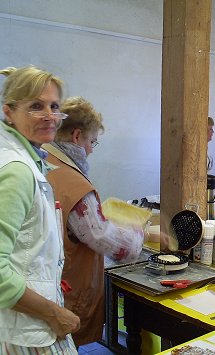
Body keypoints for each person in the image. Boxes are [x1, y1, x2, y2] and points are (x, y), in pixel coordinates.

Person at [43, 97, 144, 347]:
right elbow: (100, 236)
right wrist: (139, 235)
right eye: (92, 142)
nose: (91, 150)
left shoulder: (46, 164)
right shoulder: (73, 182)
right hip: (66, 290)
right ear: (77, 136)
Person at [0, 66, 80, 353]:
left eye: (54, 106)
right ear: (9, 112)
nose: (49, 116)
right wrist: (53, 313)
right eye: (36, 106)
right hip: (24, 330)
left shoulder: (27, 159)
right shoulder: (17, 171)